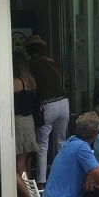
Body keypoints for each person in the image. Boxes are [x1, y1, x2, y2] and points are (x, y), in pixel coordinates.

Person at [26, 34, 69, 186]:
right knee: (61, 143)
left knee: (43, 145)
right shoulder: (51, 62)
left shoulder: (30, 65)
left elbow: (32, 88)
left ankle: (42, 183)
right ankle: (62, 178)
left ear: (29, 50)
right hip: (64, 102)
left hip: (47, 104)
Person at [13, 51, 38, 197]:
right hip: (29, 122)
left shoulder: (15, 82)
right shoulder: (30, 81)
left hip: (17, 122)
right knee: (21, 165)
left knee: (9, 167)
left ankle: (28, 196)